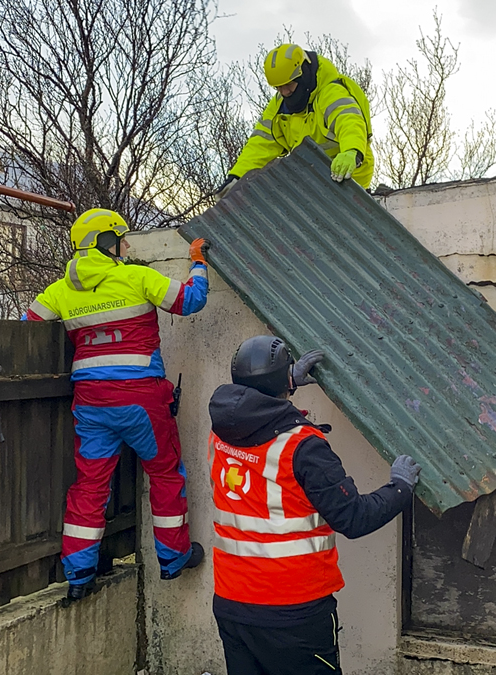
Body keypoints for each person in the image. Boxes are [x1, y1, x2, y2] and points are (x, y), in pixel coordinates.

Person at [26, 208, 210, 600]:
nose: (126, 245)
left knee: (89, 487)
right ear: (105, 243)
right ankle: (174, 558)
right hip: (141, 400)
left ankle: (78, 577)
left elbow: (31, 322)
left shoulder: (60, 290)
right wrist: (198, 263)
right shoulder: (135, 276)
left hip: (90, 403)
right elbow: (190, 301)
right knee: (164, 475)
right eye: (120, 238)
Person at [208, 335, 421, 674]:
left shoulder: (222, 431)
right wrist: (400, 488)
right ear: (281, 381)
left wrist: (286, 381)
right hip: (293, 612)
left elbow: (255, 412)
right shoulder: (303, 447)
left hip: (233, 604)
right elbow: (355, 518)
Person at [218, 44, 375, 197]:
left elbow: (349, 120)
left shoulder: (330, 92)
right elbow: (261, 143)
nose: (285, 92)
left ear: (303, 73)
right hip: (312, 179)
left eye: (289, 85)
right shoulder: (280, 105)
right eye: (278, 87)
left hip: (349, 175)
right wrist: (237, 176)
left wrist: (352, 150)